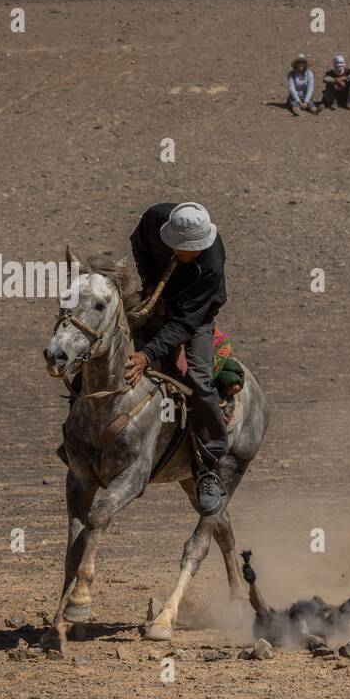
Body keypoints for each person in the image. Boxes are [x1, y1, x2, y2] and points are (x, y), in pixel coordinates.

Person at [127, 202, 231, 515]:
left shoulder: (211, 264)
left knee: (198, 379)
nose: (181, 253)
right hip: (159, 295)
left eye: (189, 250)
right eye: (177, 247)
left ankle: (211, 466)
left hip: (195, 314)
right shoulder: (156, 218)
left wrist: (147, 354)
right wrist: (148, 283)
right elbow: (138, 243)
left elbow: (184, 323)